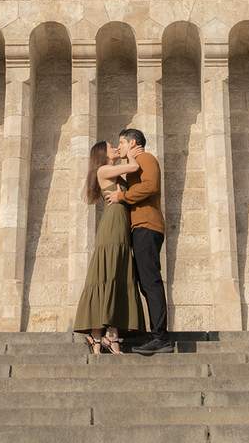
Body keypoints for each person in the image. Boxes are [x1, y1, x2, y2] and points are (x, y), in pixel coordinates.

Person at [72, 140, 144, 355]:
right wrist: (131, 152)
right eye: (112, 146)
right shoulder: (104, 169)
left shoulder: (112, 172)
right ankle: (98, 336)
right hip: (113, 224)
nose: (115, 149)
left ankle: (108, 335)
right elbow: (134, 167)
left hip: (120, 224)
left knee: (116, 273)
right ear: (103, 154)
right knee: (107, 272)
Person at [107, 127, 170, 355]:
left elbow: (150, 186)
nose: (120, 147)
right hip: (139, 228)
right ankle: (152, 332)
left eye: (122, 143)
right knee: (144, 282)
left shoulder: (146, 159)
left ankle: (160, 337)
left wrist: (121, 196)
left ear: (133, 142)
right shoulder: (136, 163)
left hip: (147, 226)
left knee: (151, 282)